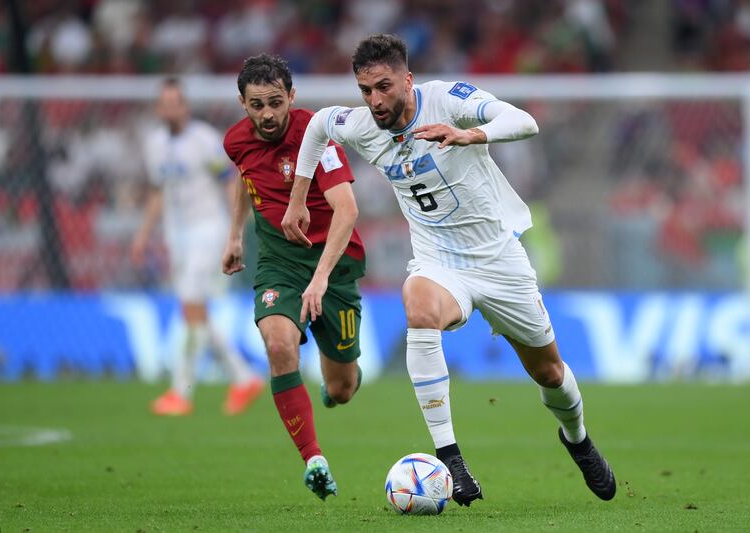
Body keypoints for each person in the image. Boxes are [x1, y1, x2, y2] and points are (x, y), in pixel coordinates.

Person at [282, 34, 616, 506]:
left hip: (499, 259)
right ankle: (452, 461)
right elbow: (317, 127)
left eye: (384, 87)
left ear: (408, 80)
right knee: (416, 304)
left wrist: (469, 134)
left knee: (550, 373)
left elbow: (523, 121)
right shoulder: (359, 124)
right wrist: (298, 198)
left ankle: (577, 438)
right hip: (440, 263)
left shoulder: (447, 99)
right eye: (365, 90)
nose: (375, 100)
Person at [221, 54, 365, 501]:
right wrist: (236, 236)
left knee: (341, 389)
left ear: (292, 97)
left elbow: (348, 210)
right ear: (243, 103)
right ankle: (314, 459)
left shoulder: (316, 137)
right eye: (257, 105)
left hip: (334, 265)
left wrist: (320, 278)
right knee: (279, 344)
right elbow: (245, 181)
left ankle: (334, 383)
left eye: (276, 103)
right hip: (279, 263)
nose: (267, 115)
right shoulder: (236, 141)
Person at [132, 78, 264, 416]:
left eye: (176, 101)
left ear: (185, 106)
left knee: (191, 305)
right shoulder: (154, 144)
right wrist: (143, 235)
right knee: (194, 310)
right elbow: (158, 191)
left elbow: (227, 182)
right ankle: (243, 376)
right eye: (165, 102)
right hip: (175, 235)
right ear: (159, 108)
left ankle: (181, 390)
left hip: (208, 229)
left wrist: (236, 230)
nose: (170, 108)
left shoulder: (203, 140)